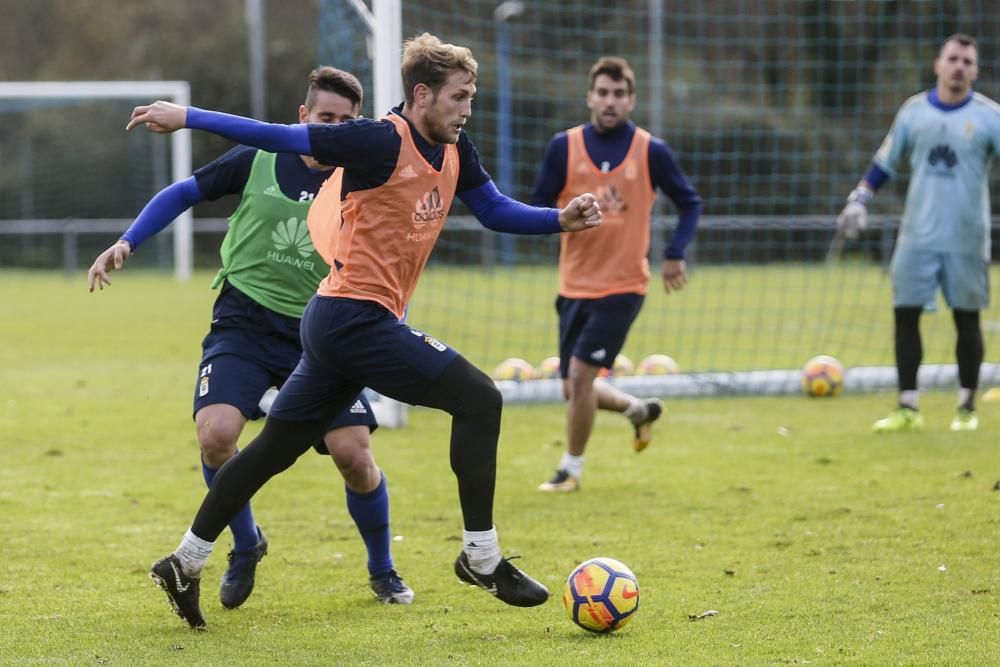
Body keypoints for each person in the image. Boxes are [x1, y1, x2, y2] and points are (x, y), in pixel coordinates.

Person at [126, 32, 603, 629]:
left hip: (334, 322)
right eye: (459, 96)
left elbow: (494, 210)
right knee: (480, 398)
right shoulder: (378, 140)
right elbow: (281, 137)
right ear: (423, 93)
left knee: (273, 448)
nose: (466, 108)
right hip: (353, 316)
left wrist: (559, 219)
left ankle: (184, 560)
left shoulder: (457, 148)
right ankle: (481, 556)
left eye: (471, 97)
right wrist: (189, 117)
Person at [88, 67, 415, 610]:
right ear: (304, 117)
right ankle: (246, 544)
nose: (334, 129)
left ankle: (382, 569)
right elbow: (183, 192)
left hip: (324, 332)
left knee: (353, 455)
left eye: (346, 121)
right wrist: (128, 241)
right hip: (244, 323)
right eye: (325, 118)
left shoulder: (363, 175)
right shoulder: (260, 158)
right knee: (216, 435)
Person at [532, 56, 702, 493]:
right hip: (573, 285)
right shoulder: (563, 147)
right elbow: (537, 206)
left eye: (619, 94)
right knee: (574, 389)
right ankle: (637, 411)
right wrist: (557, 218)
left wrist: (676, 253)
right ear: (590, 97)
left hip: (624, 285)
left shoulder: (650, 150)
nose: (610, 101)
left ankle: (570, 470)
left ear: (631, 100)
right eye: (603, 93)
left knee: (583, 377)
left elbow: (690, 202)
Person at [837, 33, 998, 433]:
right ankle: (908, 406)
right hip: (917, 236)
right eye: (953, 59)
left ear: (975, 71)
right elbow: (884, 162)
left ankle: (966, 408)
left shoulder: (989, 117)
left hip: (967, 238)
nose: (959, 66)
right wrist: (859, 199)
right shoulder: (913, 112)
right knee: (905, 315)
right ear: (938, 64)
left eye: (967, 61)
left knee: (967, 320)